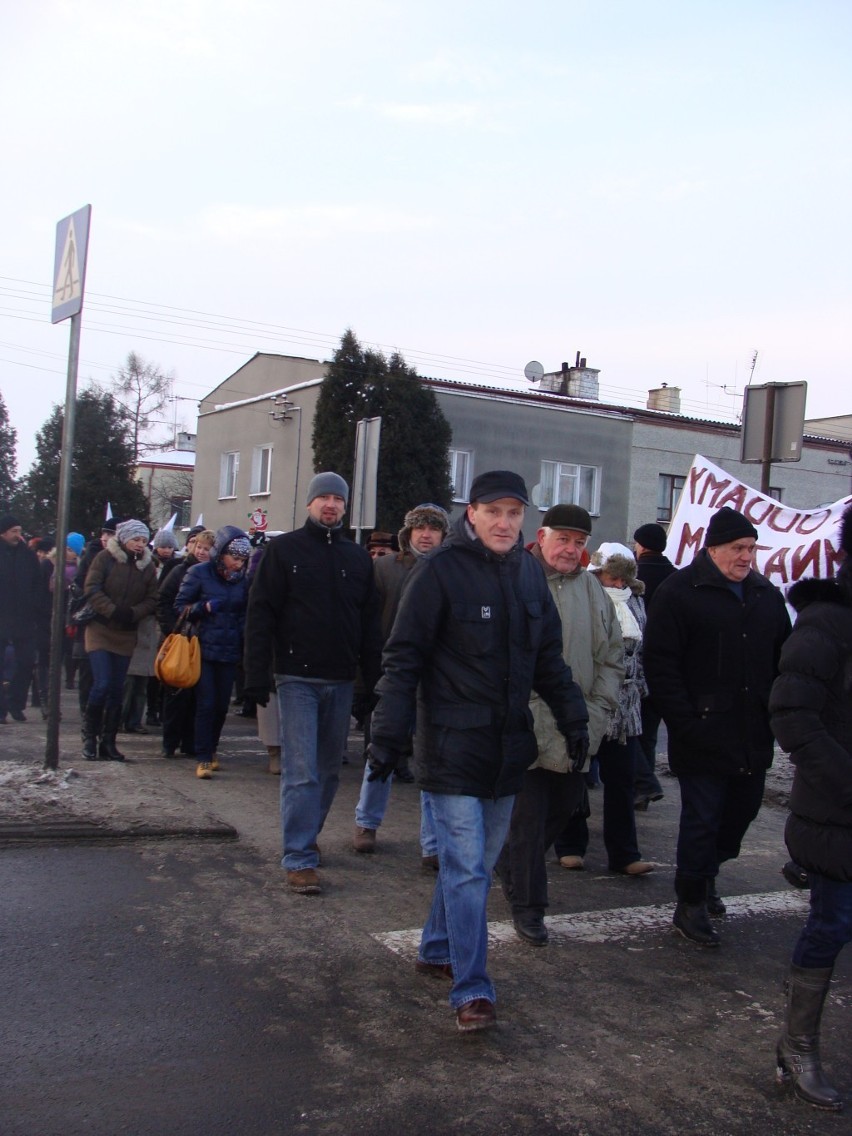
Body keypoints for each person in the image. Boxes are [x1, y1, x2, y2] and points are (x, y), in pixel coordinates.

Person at [369, 470, 589, 1032]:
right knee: (467, 868)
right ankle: (472, 989)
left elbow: (548, 661)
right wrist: (387, 738)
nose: (504, 522)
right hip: (450, 747)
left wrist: (574, 719)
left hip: (508, 750)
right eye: (494, 511)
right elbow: (403, 658)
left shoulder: (527, 575)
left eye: (515, 513)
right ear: (472, 514)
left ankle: (436, 947)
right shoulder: (438, 571)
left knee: (476, 866)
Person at [644, 506, 791, 947]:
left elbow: (785, 659)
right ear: (712, 549)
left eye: (750, 548)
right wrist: (685, 721)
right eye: (737, 548)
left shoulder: (765, 595)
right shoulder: (679, 591)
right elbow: (661, 663)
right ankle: (689, 901)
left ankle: (708, 872)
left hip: (752, 732)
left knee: (740, 816)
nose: (745, 556)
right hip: (702, 731)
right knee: (702, 820)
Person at [242, 472, 382, 895]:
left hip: (340, 679)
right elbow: (260, 613)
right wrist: (254, 675)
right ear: (308, 504)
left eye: (338, 499)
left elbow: (369, 624)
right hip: (295, 676)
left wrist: (374, 681)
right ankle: (299, 856)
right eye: (322, 497)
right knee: (301, 771)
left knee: (327, 771)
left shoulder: (357, 559)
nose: (330, 505)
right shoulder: (283, 551)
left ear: (345, 507)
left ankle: (308, 835)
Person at [496, 504, 623, 945]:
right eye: (563, 539)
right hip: (524, 723)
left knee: (565, 808)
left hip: (577, 725)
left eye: (579, 542)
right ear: (542, 536)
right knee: (528, 822)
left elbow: (611, 658)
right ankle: (530, 908)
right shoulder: (515, 579)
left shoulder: (594, 592)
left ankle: (506, 864)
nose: (571, 549)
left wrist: (598, 711)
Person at [768, 503, 852, 1113]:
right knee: (833, 923)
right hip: (838, 814)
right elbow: (793, 715)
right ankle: (798, 1047)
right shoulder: (826, 623)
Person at [352, 503, 450, 855]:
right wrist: (365, 680)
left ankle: (433, 846)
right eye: (419, 528)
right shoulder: (383, 568)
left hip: (438, 681)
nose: (426, 535)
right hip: (392, 677)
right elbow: (367, 626)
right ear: (407, 535)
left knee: (431, 759)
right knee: (381, 751)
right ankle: (366, 822)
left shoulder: (453, 571)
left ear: (443, 534)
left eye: (433, 529)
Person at [552, 543, 654, 882]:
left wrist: (640, 689)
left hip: (625, 710)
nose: (616, 584)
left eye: (622, 579)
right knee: (575, 777)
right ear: (596, 573)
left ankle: (626, 854)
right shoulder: (583, 600)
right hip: (588, 703)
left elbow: (643, 653)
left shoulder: (637, 604)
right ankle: (569, 846)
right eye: (610, 576)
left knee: (622, 784)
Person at [176, 525, 251, 779]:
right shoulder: (199, 573)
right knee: (206, 703)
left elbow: (246, 613)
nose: (238, 564)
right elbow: (180, 606)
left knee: (221, 705)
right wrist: (202, 607)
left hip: (230, 649)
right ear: (221, 554)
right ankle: (203, 756)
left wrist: (244, 638)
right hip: (203, 648)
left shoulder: (243, 581)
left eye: (242, 559)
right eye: (235, 558)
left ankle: (213, 748)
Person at [81, 519, 159, 760]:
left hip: (126, 632)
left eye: (144, 540)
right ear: (124, 538)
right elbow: (92, 588)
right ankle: (89, 736)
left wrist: (134, 613)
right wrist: (112, 609)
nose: (139, 544)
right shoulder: (105, 558)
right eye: (136, 539)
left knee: (117, 689)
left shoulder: (147, 567)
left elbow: (152, 598)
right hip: (100, 629)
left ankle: (109, 741)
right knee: (102, 683)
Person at [156, 528, 215, 759]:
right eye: (198, 547)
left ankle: (190, 742)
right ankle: (169, 742)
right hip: (180, 638)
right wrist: (172, 629)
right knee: (176, 692)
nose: (201, 552)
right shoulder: (179, 570)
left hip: (202, 640)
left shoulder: (213, 574)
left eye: (206, 549)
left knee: (197, 697)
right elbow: (163, 600)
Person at [632, 522, 676, 810]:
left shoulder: (634, 578)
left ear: (641, 545)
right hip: (668, 665)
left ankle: (642, 784)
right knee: (649, 732)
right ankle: (642, 788)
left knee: (632, 731)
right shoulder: (678, 578)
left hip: (638, 663)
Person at [0, 515, 43, 724]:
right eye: (14, 531)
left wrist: (35, 608)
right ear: (3, 532)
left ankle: (16, 703)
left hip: (24, 619)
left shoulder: (28, 556)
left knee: (25, 662)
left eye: (19, 531)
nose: (18, 535)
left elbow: (37, 584)